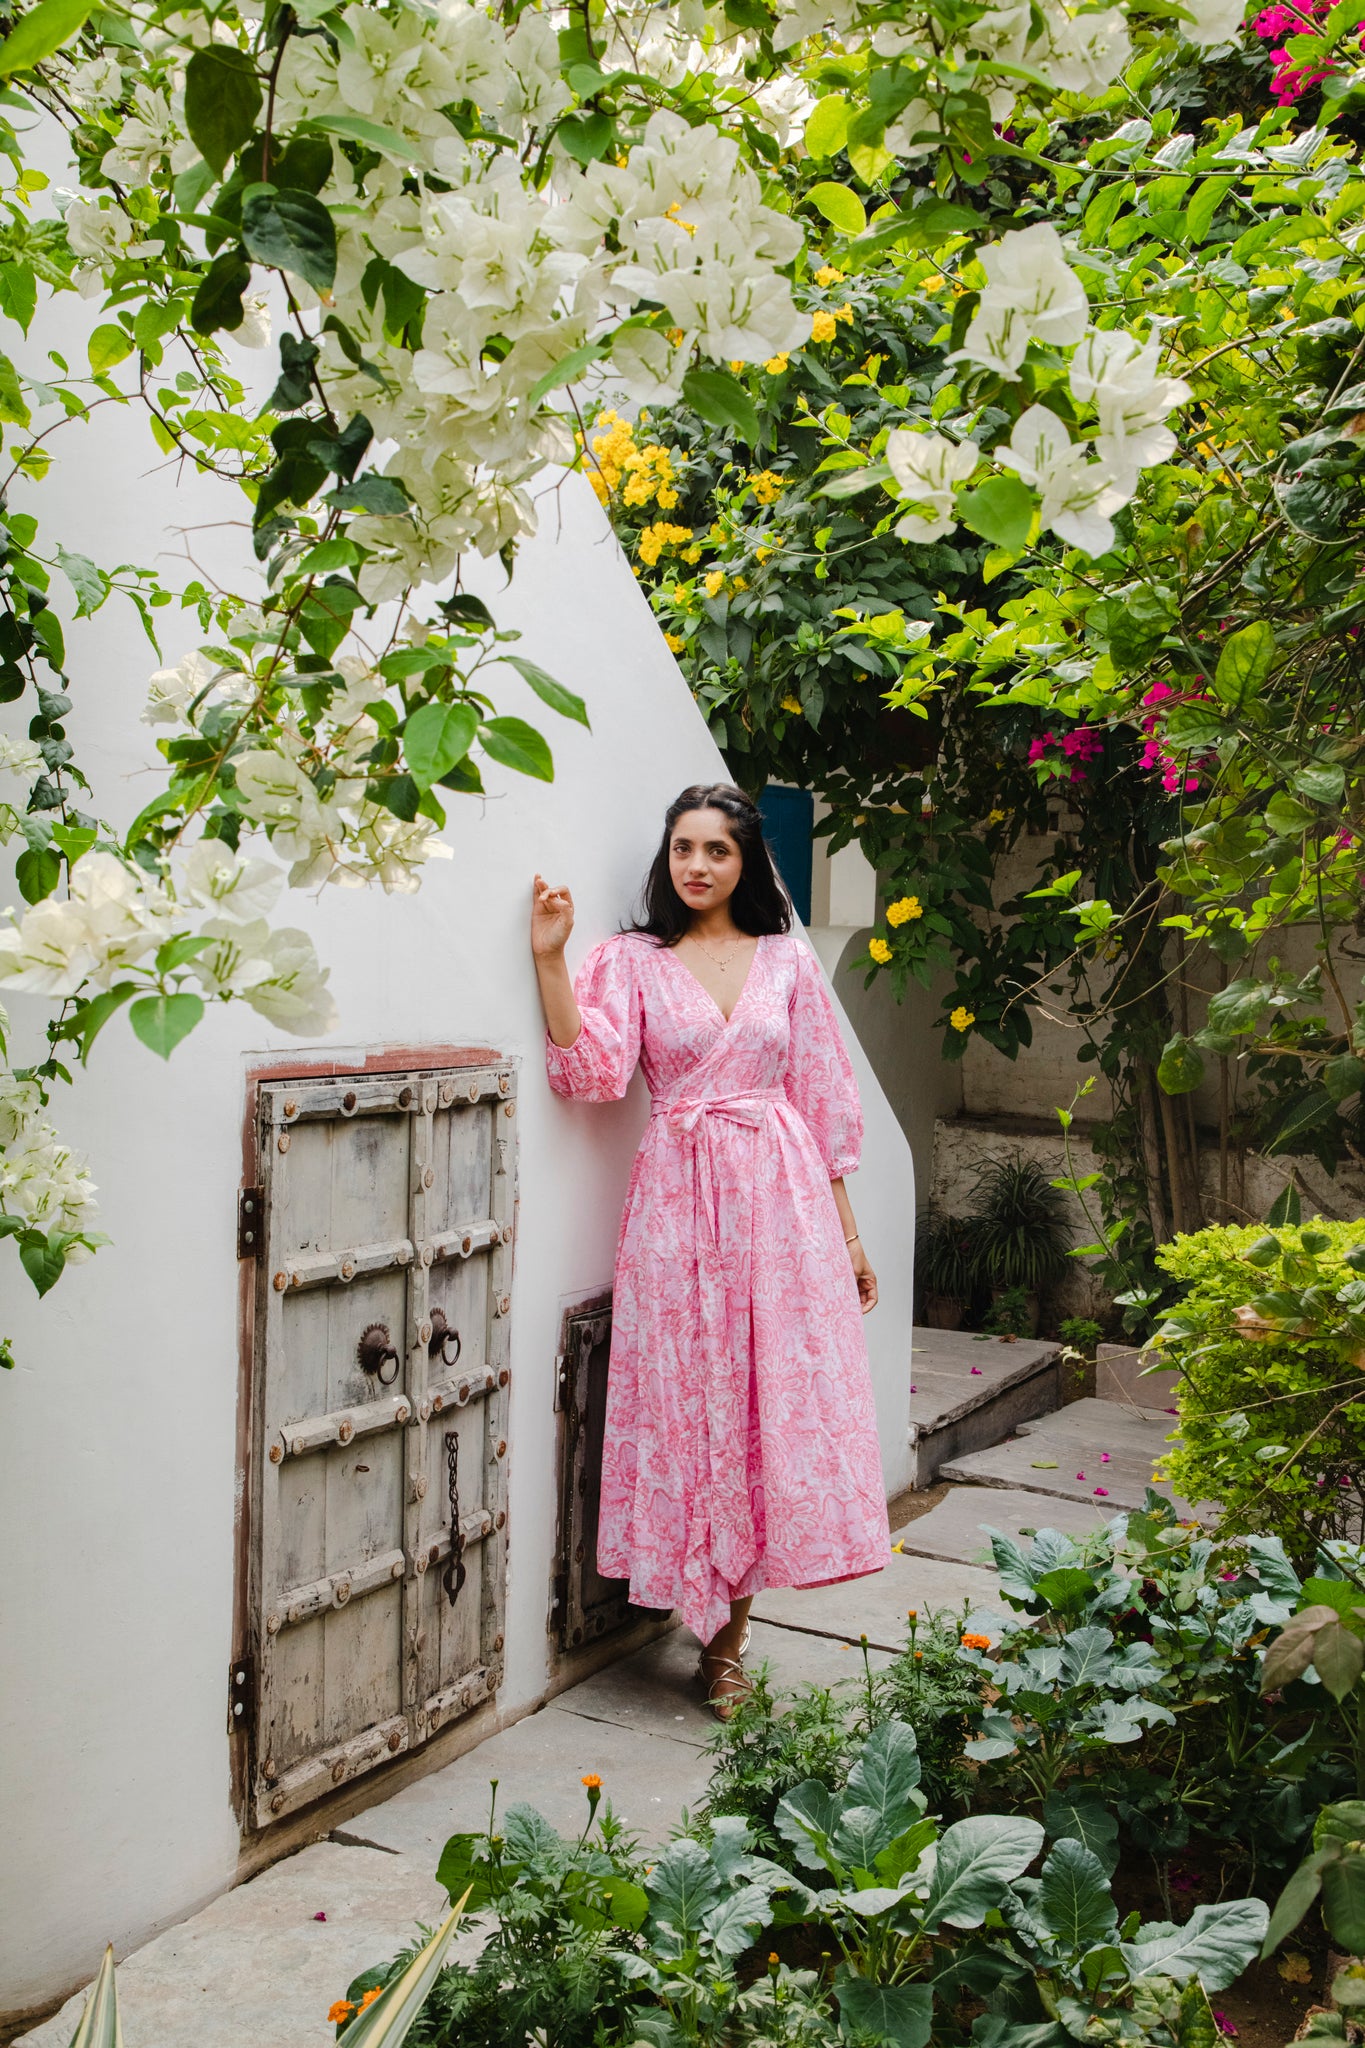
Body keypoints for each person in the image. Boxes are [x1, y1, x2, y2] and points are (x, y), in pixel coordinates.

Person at [531, 782, 890, 1718]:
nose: (696, 866)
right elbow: (594, 1073)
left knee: (759, 1408)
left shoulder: (787, 963)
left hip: (781, 1206)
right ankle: (690, 1603)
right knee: (690, 1403)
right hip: (677, 1208)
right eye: (683, 849)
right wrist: (551, 961)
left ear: (746, 863)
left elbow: (821, 1103)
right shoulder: (632, 961)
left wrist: (849, 1237)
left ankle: (728, 1647)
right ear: (667, 859)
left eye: (716, 851)